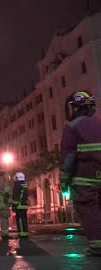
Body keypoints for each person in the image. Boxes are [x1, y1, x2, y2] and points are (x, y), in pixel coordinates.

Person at [60, 90, 101, 256]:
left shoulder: (71, 127)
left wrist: (64, 181)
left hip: (84, 179)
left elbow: (68, 158)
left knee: (89, 211)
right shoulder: (99, 123)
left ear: (75, 107)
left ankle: (97, 246)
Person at [12, 171, 29, 238]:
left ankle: (22, 234)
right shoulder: (24, 185)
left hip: (19, 206)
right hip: (24, 205)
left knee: (20, 220)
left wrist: (14, 206)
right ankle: (25, 232)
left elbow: (15, 197)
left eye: (16, 178)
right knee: (24, 219)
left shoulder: (17, 186)